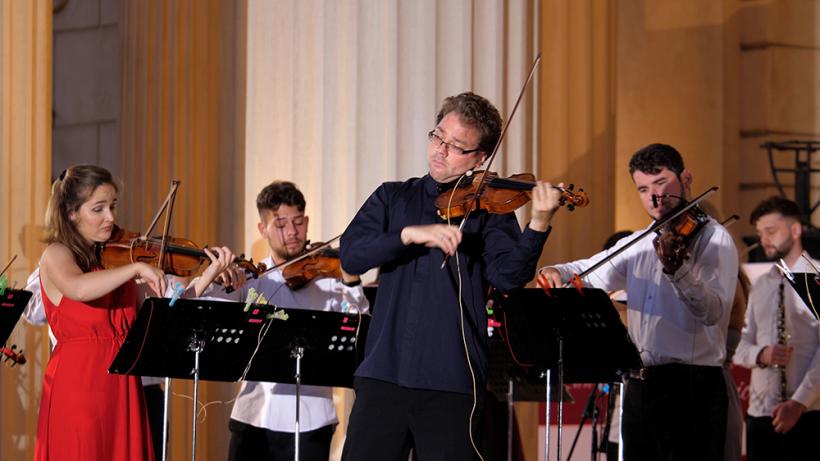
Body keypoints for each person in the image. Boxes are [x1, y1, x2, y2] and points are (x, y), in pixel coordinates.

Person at [339, 92, 562, 460]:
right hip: (382, 374)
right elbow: (351, 253)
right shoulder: (393, 197)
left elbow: (507, 278)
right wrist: (408, 234)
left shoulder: (490, 210)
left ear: (481, 158)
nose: (441, 150)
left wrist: (537, 224)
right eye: (437, 136)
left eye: (457, 146)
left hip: (451, 380)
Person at [538, 143, 738, 460]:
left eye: (661, 183)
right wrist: (555, 271)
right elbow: (589, 271)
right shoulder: (640, 243)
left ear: (686, 179)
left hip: (691, 386)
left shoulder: (714, 239)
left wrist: (679, 269)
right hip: (641, 385)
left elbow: (713, 312)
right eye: (643, 189)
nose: (654, 197)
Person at [34, 165, 235, 461]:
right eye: (98, 209)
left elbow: (168, 306)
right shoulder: (56, 254)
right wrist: (136, 268)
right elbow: (78, 288)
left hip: (121, 387)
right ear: (71, 212)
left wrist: (208, 274)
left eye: (113, 206)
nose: (111, 218)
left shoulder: (112, 263)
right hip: (79, 389)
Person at [214, 181, 369, 461]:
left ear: (307, 222)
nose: (292, 232)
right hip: (254, 416)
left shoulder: (331, 280)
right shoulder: (252, 278)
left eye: (298, 222)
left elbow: (360, 322)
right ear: (263, 230)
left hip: (312, 418)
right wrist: (218, 276)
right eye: (281, 224)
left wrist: (350, 279)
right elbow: (212, 309)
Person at [733, 196, 820, 460]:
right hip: (761, 415)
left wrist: (799, 402)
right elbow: (739, 346)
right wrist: (761, 354)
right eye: (760, 233)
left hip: (809, 412)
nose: (763, 240)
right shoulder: (761, 286)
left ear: (795, 230)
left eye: (770, 231)